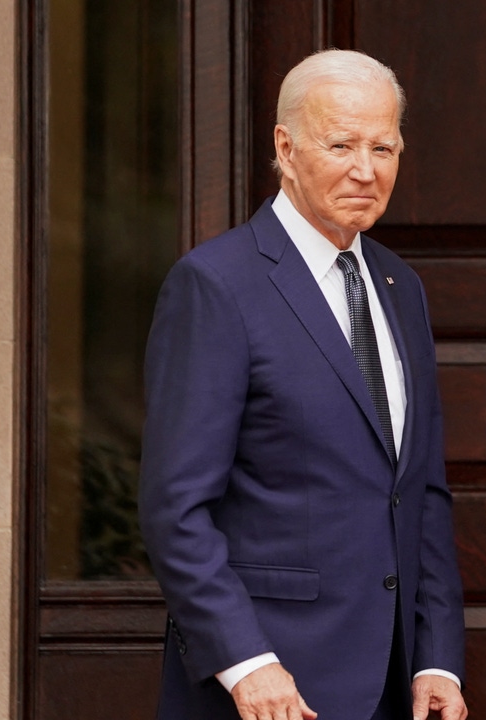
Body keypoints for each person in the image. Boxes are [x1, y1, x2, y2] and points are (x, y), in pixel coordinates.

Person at [140, 49, 467, 720]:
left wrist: (437, 656)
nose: (366, 170)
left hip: (392, 686)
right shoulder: (217, 285)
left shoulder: (401, 288)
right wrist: (247, 662)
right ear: (285, 149)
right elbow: (176, 509)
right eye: (341, 144)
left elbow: (421, 493)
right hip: (266, 688)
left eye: (385, 147)